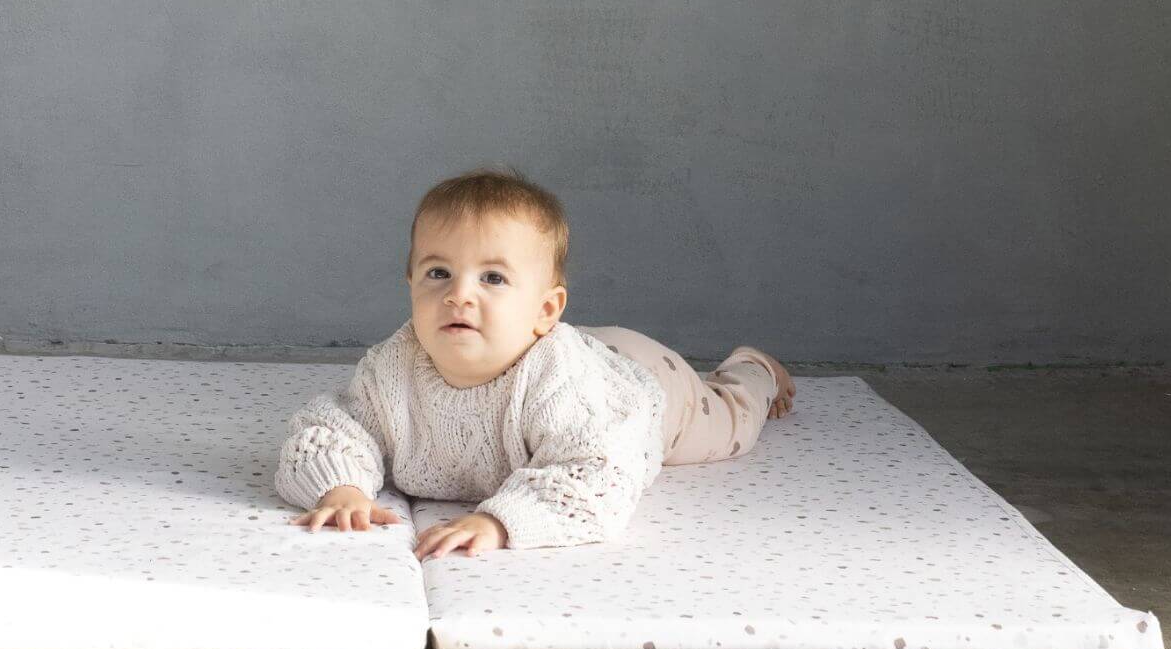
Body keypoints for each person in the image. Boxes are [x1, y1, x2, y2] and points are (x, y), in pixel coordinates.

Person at [274, 166, 795, 560]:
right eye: (438, 273)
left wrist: (502, 522)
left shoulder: (570, 390)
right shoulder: (394, 365)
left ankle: (755, 371)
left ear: (545, 310)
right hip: (548, 345)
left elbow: (599, 473)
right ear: (410, 285)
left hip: (643, 378)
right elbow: (333, 428)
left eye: (493, 278)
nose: (460, 295)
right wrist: (340, 485)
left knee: (729, 423)